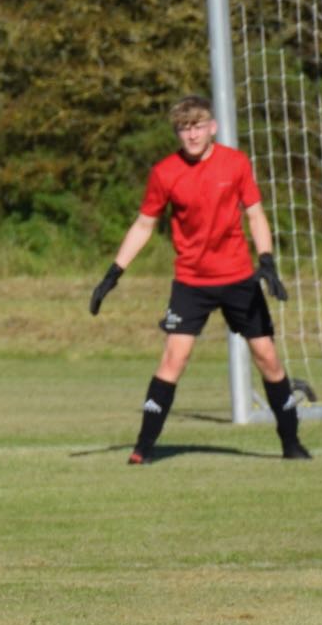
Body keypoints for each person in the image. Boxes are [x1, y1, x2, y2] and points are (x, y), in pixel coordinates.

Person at [91, 94, 309, 463]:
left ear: (212, 127)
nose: (191, 134)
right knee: (174, 358)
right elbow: (145, 224)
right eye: (183, 127)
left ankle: (291, 443)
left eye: (197, 125)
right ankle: (143, 448)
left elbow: (255, 214)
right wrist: (114, 273)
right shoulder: (165, 173)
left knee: (267, 357)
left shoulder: (235, 163)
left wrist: (267, 261)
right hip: (191, 282)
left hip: (239, 278)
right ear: (177, 132)